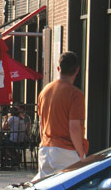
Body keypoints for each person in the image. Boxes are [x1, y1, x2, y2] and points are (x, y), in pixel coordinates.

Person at [36, 51, 87, 179]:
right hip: (66, 151)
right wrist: (81, 154)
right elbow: (74, 127)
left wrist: (43, 143)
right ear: (77, 70)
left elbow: (42, 124)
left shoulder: (44, 91)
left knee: (46, 188)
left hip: (46, 148)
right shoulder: (75, 94)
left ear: (58, 68)